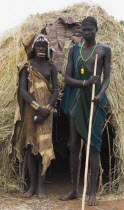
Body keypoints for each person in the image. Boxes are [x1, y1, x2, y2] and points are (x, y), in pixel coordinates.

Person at [60, 16, 111, 206]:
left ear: (96, 30)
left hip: (94, 102)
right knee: (74, 146)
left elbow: (107, 77)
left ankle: (92, 193)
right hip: (77, 100)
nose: (86, 33)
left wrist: (100, 94)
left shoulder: (104, 50)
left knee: (93, 146)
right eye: (84, 30)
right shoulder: (75, 50)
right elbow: (66, 78)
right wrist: (84, 82)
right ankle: (74, 189)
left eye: (90, 29)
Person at [14, 34, 59, 198]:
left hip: (47, 113)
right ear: (33, 48)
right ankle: (32, 186)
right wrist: (36, 107)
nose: (41, 48)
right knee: (31, 149)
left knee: (44, 149)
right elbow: (23, 90)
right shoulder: (27, 66)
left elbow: (56, 90)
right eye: (38, 45)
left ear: (47, 49)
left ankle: (41, 187)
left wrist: (47, 108)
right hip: (31, 112)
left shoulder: (51, 67)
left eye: (43, 46)